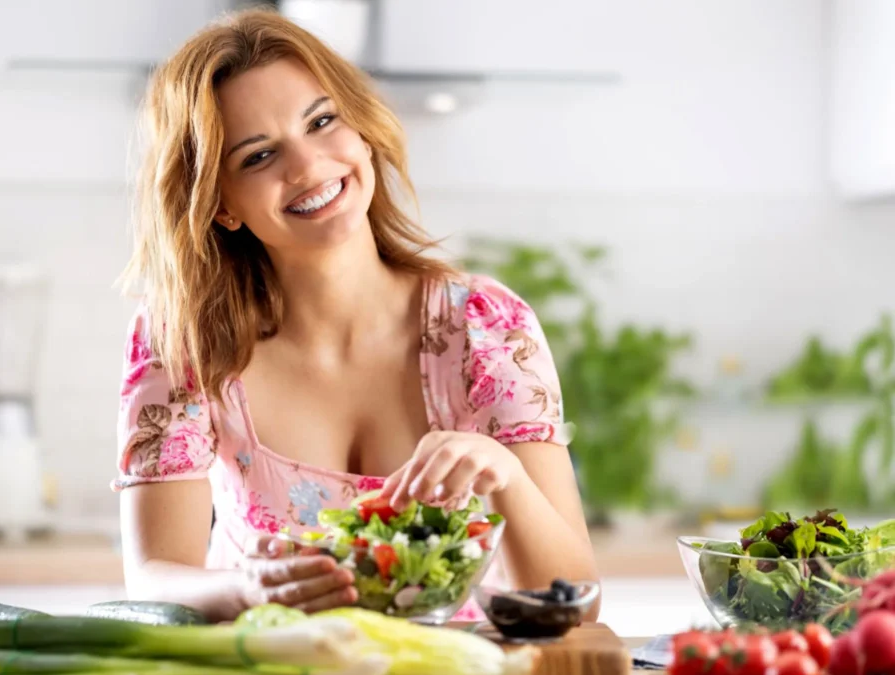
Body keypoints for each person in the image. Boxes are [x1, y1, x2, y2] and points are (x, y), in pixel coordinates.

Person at [112, 8, 599, 624]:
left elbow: (576, 600)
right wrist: (248, 589)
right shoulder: (181, 342)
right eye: (258, 157)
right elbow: (152, 581)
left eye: (322, 121)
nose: (308, 166)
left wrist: (507, 475)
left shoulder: (486, 326)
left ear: (362, 129)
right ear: (221, 205)